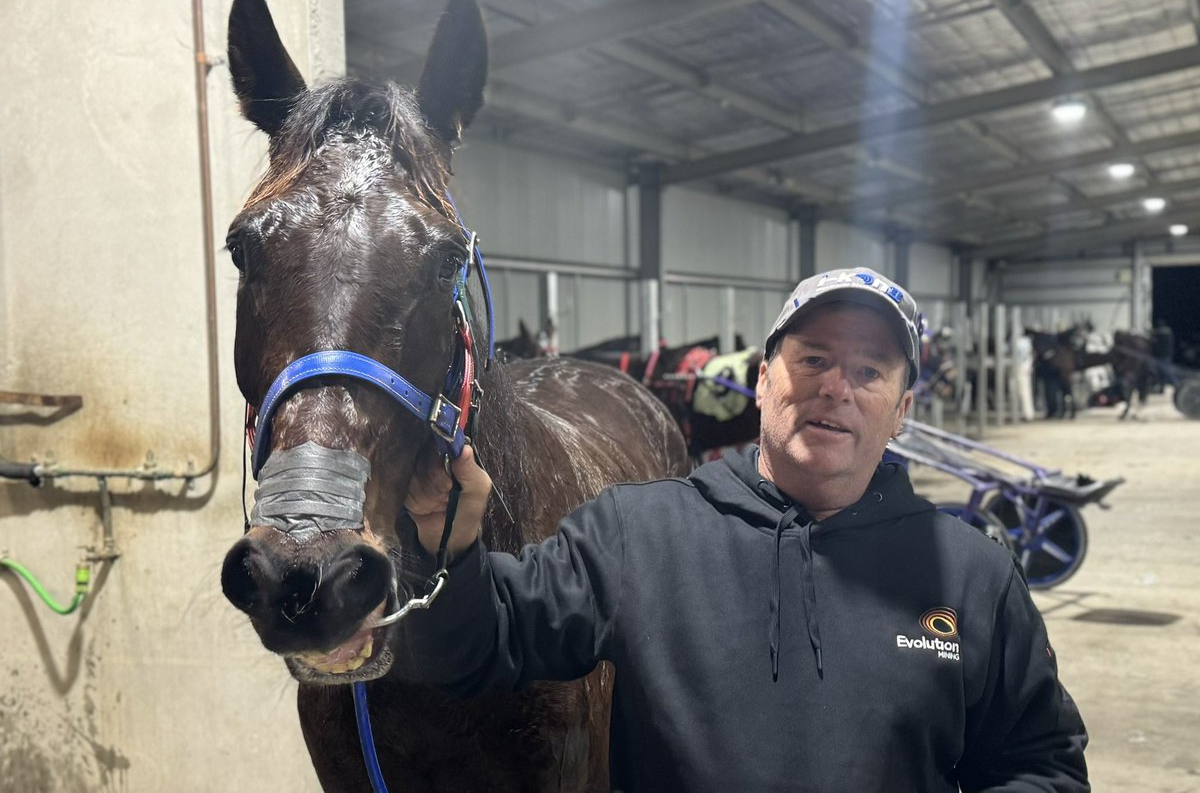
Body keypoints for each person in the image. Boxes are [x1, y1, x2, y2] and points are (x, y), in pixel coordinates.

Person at [400, 266, 1089, 792]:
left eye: (869, 371)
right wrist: (448, 544)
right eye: (812, 358)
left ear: (902, 409)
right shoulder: (638, 535)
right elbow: (473, 647)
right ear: (763, 380)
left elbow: (1044, 765)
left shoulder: (973, 575)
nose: (835, 388)